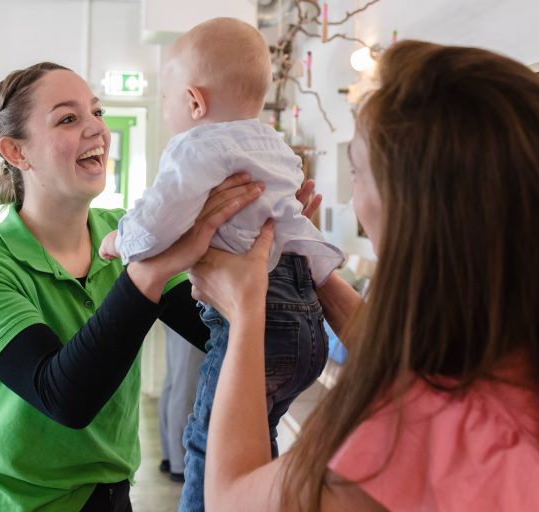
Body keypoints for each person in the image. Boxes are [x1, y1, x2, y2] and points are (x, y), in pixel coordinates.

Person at [189, 40, 539, 511]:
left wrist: (245, 309)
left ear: (411, 211)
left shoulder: (411, 442)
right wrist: (309, 261)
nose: (355, 202)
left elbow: (232, 500)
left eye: (356, 174)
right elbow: (424, 356)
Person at [0, 61, 268, 511]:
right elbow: (64, 397)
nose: (97, 129)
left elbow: (217, 331)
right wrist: (148, 273)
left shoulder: (127, 235)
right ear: (16, 152)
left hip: (113, 497)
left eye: (97, 112)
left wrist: (265, 237)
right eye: (69, 118)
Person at [98, 17, 343, 512]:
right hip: (308, 327)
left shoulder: (195, 147)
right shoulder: (275, 146)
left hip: (256, 326)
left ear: (193, 101)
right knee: (256, 436)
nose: (167, 110)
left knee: (209, 446)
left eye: (166, 99)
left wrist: (118, 240)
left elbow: (159, 218)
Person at [157, 324, 204, 483]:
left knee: (175, 379)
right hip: (191, 303)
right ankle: (180, 462)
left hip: (175, 302)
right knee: (184, 381)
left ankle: (170, 457)